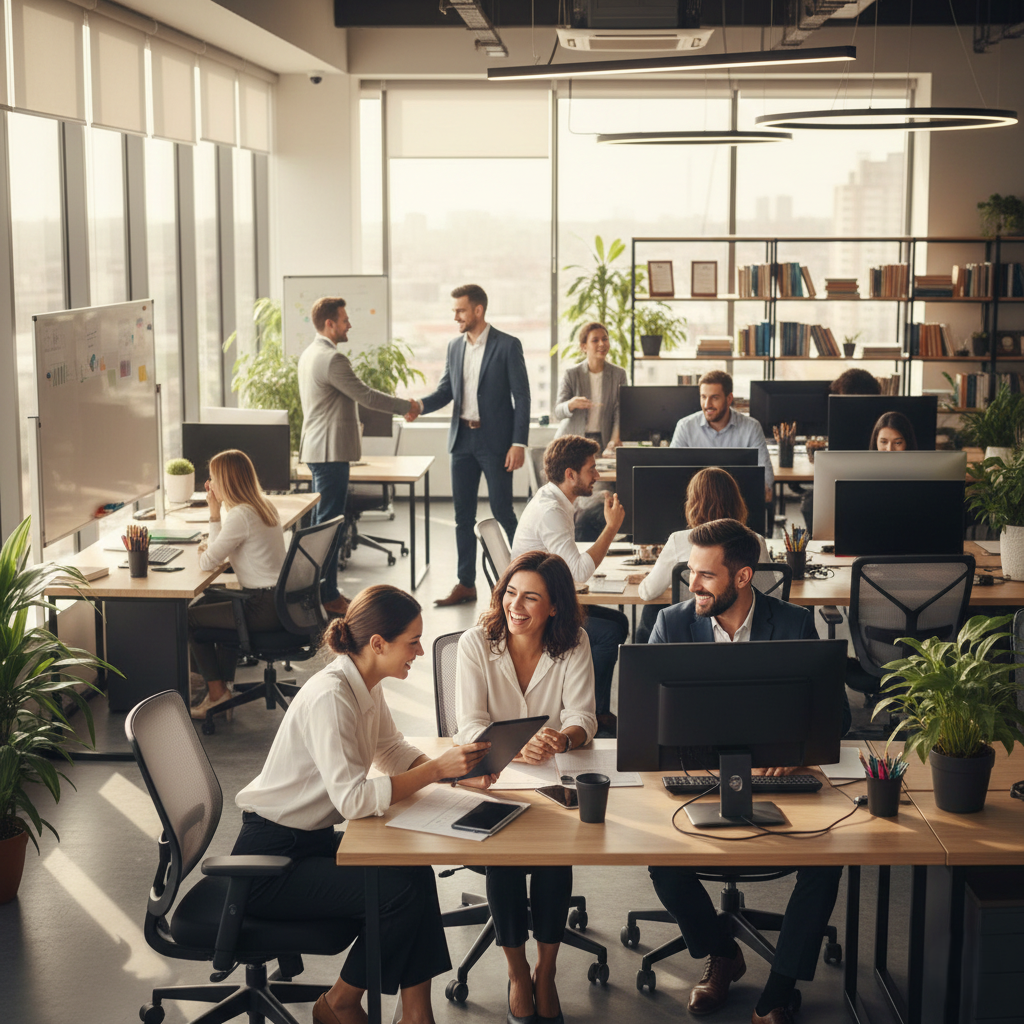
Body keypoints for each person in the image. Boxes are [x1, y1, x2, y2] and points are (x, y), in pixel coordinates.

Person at [231, 585, 493, 1024]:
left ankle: (415, 1013)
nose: (421, 651)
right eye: (412, 641)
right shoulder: (332, 697)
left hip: (306, 841)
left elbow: (389, 749)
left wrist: (452, 772)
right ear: (378, 644)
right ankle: (339, 1002)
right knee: (395, 895)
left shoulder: (364, 683)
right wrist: (434, 771)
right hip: (269, 863)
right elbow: (353, 800)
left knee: (413, 870)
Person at [647, 518, 850, 1024]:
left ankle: (778, 992)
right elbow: (642, 719)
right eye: (690, 572)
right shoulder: (672, 625)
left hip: (780, 775)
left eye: (705, 575)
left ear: (742, 577)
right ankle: (723, 952)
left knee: (826, 862)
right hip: (695, 778)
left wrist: (800, 749)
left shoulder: (794, 624)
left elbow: (837, 716)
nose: (692, 584)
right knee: (659, 861)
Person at [453, 550, 597, 1024]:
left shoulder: (573, 643)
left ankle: (546, 971)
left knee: (556, 856)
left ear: (553, 607)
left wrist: (564, 737)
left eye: (531, 597)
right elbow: (470, 722)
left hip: (550, 778)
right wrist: (512, 746)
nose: (517, 606)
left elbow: (583, 717)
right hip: (491, 777)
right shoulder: (478, 642)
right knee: (505, 857)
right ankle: (517, 973)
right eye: (511, 593)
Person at [297, 296, 416, 616]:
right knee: (329, 525)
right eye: (345, 319)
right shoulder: (332, 360)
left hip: (318, 448)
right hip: (329, 451)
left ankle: (320, 591)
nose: (350, 324)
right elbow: (364, 395)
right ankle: (327, 594)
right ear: (329, 323)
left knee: (323, 523)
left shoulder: (310, 354)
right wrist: (407, 406)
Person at [415, 284, 531, 607]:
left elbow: (521, 397)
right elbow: (444, 391)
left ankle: (528, 575)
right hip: (462, 440)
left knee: (502, 511)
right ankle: (466, 584)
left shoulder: (508, 346)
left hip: (496, 442)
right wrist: (418, 406)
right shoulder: (454, 347)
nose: (455, 317)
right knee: (462, 516)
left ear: (478, 310)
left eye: (460, 310)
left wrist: (518, 442)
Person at [511, 435, 629, 736]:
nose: (598, 476)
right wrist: (611, 528)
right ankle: (596, 715)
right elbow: (577, 574)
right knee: (610, 631)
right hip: (538, 607)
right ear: (570, 474)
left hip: (547, 595)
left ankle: (598, 709)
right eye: (592, 469)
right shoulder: (552, 511)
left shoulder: (555, 501)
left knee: (617, 619)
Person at [188, 449, 288, 719]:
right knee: (209, 601)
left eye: (213, 479)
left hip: (261, 607)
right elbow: (221, 552)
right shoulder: (264, 505)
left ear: (226, 481)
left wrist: (213, 513)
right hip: (280, 602)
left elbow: (208, 562)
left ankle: (217, 693)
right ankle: (223, 687)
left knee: (188, 618)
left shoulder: (240, 515)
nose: (210, 485)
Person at [631, 467, 771, 643]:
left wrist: (651, 576)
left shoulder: (678, 540)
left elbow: (647, 592)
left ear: (693, 503)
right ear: (737, 502)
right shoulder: (755, 540)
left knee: (651, 612)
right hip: (744, 625)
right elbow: (772, 594)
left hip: (689, 628)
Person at [553, 321, 627, 542]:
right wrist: (572, 404)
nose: (602, 344)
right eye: (595, 340)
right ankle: (573, 534)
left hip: (602, 443)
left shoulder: (618, 374)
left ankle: (588, 536)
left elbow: (619, 411)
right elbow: (558, 411)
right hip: (573, 442)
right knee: (575, 488)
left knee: (599, 490)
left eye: (605, 339)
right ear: (583, 346)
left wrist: (614, 442)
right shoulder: (572, 374)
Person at [670, 370, 774, 507]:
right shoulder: (685, 426)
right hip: (697, 503)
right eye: (703, 397)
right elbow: (671, 471)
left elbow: (766, 475)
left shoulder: (751, 427)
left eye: (714, 397)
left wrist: (763, 489)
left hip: (737, 503)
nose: (707, 404)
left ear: (729, 398)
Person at [801, 368, 883, 533]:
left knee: (812, 502)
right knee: (810, 503)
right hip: (843, 478)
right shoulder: (838, 420)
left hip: (872, 480)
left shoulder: (882, 423)